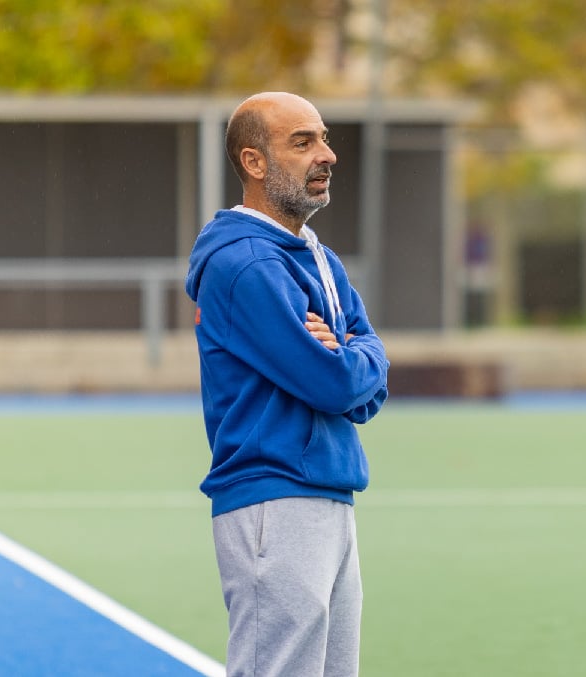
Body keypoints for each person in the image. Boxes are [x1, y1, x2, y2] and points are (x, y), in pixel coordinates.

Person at [184, 92, 390, 677]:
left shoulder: (316, 257)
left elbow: (367, 373)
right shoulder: (245, 263)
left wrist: (355, 359)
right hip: (272, 500)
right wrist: (354, 363)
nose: (325, 155)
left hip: (329, 491)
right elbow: (331, 384)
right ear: (254, 163)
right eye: (302, 142)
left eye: (323, 139)